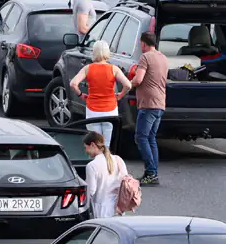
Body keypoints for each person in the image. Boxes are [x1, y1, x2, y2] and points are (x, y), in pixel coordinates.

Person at [70, 40, 132, 146]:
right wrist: (120, 95)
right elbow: (128, 85)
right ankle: (106, 161)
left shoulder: (88, 68)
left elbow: (73, 84)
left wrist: (81, 95)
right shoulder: (113, 69)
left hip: (92, 110)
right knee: (107, 144)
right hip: (110, 110)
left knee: (95, 143)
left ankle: (96, 161)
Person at [130, 31, 167, 187]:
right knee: (151, 138)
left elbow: (138, 79)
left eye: (141, 44)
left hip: (148, 104)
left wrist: (127, 84)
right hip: (160, 103)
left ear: (144, 43)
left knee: (141, 137)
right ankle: (152, 173)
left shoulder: (145, 57)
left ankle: (151, 173)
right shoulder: (163, 58)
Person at [83, 131, 127, 218]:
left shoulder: (92, 166)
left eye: (86, 147)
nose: (86, 151)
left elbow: (91, 191)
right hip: (118, 209)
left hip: (101, 210)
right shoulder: (118, 159)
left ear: (92, 145)